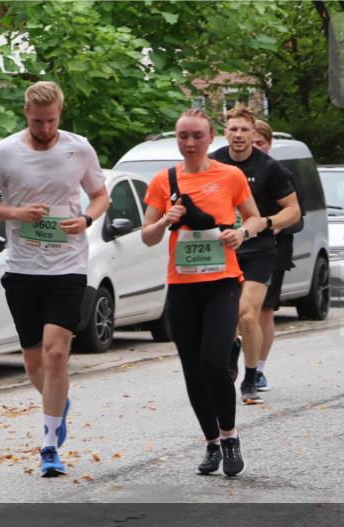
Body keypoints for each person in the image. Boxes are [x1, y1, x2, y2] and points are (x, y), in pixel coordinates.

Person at [0, 81, 109, 477]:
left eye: (51, 121)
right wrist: (16, 214)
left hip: (68, 266)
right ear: (26, 114)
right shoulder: (5, 152)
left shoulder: (79, 148)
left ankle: (49, 445)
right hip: (22, 267)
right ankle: (57, 402)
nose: (45, 128)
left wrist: (86, 219)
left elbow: (100, 196)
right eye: (37, 122)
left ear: (60, 114)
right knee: (34, 362)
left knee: (56, 353)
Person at [141, 107, 264, 477]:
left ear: (212, 138)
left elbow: (255, 217)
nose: (190, 143)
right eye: (183, 136)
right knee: (193, 370)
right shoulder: (163, 181)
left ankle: (229, 436)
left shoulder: (230, 175)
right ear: (176, 139)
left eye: (197, 136)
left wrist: (241, 233)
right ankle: (211, 442)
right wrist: (166, 220)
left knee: (213, 362)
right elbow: (147, 236)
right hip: (182, 288)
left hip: (222, 283)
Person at [211, 106, 300, 404]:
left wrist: (268, 222)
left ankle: (250, 376)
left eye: (244, 130)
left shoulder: (269, 168)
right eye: (233, 129)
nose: (238, 135)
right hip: (222, 249)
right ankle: (232, 349)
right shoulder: (213, 163)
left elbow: (293, 210)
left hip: (259, 250)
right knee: (225, 315)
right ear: (225, 132)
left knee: (247, 314)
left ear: (253, 133)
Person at [252, 119, 296, 391]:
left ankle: (258, 369)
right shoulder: (233, 172)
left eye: (260, 143)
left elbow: (297, 215)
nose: (255, 147)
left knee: (264, 311)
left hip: (275, 249)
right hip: (241, 248)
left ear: (269, 145)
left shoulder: (279, 173)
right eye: (252, 142)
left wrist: (274, 225)